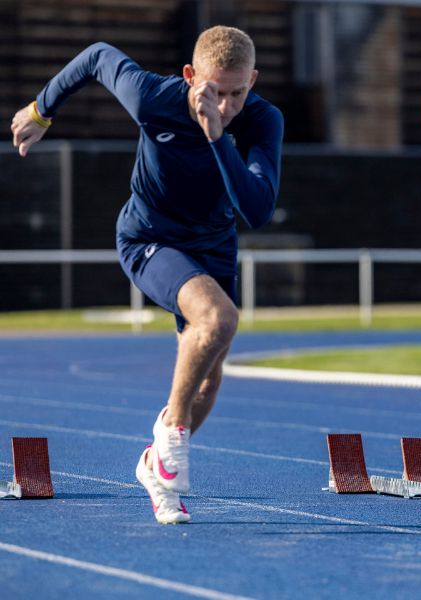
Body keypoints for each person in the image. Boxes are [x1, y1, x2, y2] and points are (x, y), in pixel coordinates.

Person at [10, 26, 283, 524]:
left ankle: (154, 466)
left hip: (214, 244)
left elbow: (258, 208)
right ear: (189, 77)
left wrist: (217, 137)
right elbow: (95, 55)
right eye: (213, 92)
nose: (224, 105)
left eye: (237, 93)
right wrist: (40, 109)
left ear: (253, 81)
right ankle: (171, 444)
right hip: (149, 238)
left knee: (208, 382)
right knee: (219, 320)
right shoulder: (151, 97)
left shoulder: (263, 121)